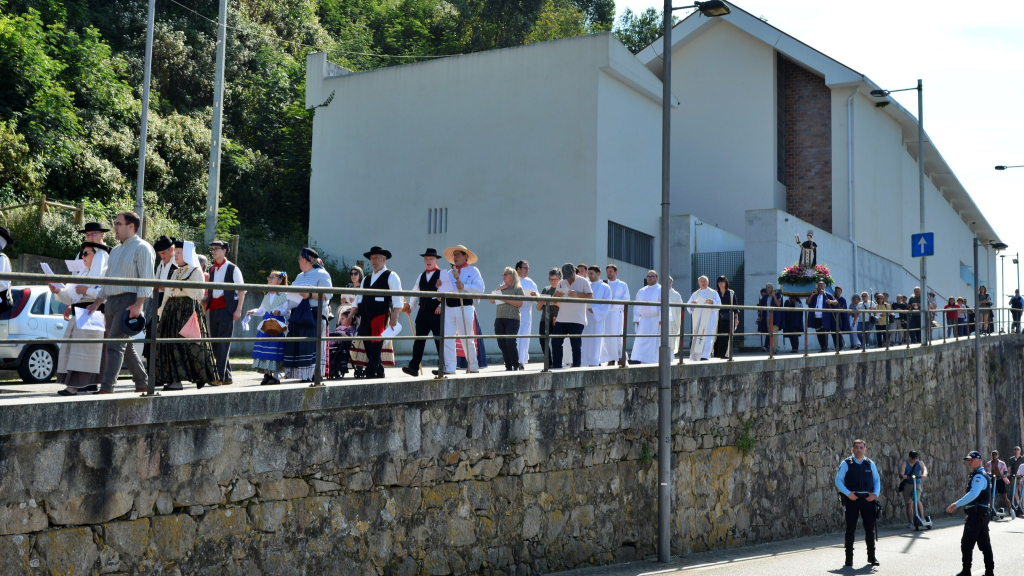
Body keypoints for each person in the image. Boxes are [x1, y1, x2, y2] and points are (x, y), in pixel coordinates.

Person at [86, 211, 155, 394]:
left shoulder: (143, 248)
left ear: (130, 226)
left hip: (128, 300)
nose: (114, 228)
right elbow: (107, 279)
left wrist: (138, 305)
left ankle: (107, 387)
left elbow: (147, 279)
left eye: (118, 224)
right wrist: (97, 303)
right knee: (125, 345)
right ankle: (142, 381)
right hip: (111, 301)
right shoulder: (115, 250)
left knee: (114, 345)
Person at [154, 241, 218, 390]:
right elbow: (168, 294)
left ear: (187, 254)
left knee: (191, 347)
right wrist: (161, 314)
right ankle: (175, 381)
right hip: (172, 312)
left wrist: (181, 287)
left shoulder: (195, 271)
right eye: (175, 252)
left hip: (187, 312)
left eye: (178, 252)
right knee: (172, 346)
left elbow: (199, 294)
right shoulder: (175, 271)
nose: (175, 255)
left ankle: (201, 376)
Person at [50, 241, 110, 395]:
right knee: (76, 350)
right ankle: (83, 385)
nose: (82, 257)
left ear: (96, 256)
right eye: (82, 253)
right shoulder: (82, 273)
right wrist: (58, 290)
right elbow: (70, 298)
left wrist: (87, 290)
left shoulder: (104, 273)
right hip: (80, 314)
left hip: (93, 313)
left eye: (86, 253)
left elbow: (105, 293)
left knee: (84, 351)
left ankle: (74, 387)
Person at [283, 248, 333, 381]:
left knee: (312, 345)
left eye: (300, 259)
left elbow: (328, 294)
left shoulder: (322, 274)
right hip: (298, 314)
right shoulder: (300, 276)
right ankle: (302, 375)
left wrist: (310, 294)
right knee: (299, 344)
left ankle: (313, 375)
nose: (299, 261)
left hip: (313, 314)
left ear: (306, 259)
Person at [354, 246, 403, 379]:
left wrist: (395, 317)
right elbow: (359, 297)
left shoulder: (391, 276)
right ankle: (379, 370)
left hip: (379, 316)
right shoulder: (367, 279)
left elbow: (398, 298)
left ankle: (370, 372)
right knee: (367, 343)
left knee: (376, 345)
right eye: (372, 258)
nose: (373, 261)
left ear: (384, 259)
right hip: (365, 315)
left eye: (376, 258)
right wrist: (351, 313)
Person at [437, 245, 485, 375]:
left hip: (465, 306)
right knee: (448, 337)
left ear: (465, 256)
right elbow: (441, 292)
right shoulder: (448, 274)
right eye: (454, 255)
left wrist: (465, 286)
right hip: (450, 307)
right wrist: (439, 287)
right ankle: (450, 367)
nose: (455, 257)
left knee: (467, 337)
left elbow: (480, 288)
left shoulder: (473, 270)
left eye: (458, 255)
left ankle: (473, 366)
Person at [203, 240, 246, 385]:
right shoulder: (212, 269)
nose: (214, 251)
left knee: (222, 343)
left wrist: (238, 309)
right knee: (215, 343)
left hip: (227, 309)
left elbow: (242, 290)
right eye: (213, 249)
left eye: (217, 249)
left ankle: (219, 376)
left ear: (224, 251)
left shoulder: (232, 268)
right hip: (214, 309)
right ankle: (227, 376)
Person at [946, 451, 995, 576]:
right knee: (985, 544)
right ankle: (989, 572)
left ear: (979, 460)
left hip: (978, 514)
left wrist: (956, 504)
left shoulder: (979, 476)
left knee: (967, 543)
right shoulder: (981, 475)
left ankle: (966, 572)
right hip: (980, 513)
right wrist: (971, 511)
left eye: (971, 459)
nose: (969, 462)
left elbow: (974, 494)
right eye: (968, 460)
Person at [835, 439, 880, 568]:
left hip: (867, 500)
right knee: (850, 530)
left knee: (869, 530)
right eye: (857, 447)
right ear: (853, 449)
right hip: (852, 500)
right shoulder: (846, 463)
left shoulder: (870, 464)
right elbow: (838, 480)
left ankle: (872, 557)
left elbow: (877, 480)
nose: (859, 449)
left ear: (865, 450)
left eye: (861, 447)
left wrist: (875, 494)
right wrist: (848, 493)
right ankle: (848, 559)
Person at [404, 248, 443, 378]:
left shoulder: (442, 274)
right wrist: (411, 307)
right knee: (419, 339)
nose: (428, 261)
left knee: (439, 340)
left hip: (436, 312)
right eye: (426, 259)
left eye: (431, 259)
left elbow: (447, 291)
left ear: (436, 260)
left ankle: (442, 366)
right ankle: (414, 367)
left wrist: (441, 305)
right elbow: (415, 294)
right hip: (423, 311)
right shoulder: (421, 276)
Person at [247, 271, 289, 385]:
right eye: (269, 278)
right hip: (266, 324)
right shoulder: (267, 295)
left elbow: (288, 311)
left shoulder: (284, 295)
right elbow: (262, 310)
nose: (269, 280)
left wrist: (279, 311)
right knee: (264, 349)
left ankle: (275, 376)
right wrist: (253, 311)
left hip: (277, 324)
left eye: (272, 278)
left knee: (274, 350)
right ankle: (267, 374)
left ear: (279, 281)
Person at [550, 263, 593, 368]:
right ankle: (557, 365)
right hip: (562, 318)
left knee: (576, 346)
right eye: (566, 277)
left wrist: (577, 294)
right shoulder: (561, 282)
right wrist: (556, 295)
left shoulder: (583, 281)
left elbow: (590, 297)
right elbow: (553, 301)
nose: (568, 279)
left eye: (570, 276)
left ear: (575, 271)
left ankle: (576, 367)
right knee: (555, 341)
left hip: (577, 319)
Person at [144, 235, 177, 363]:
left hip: (168, 304)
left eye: (164, 253)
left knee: (162, 339)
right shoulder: (161, 266)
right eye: (160, 253)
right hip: (156, 303)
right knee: (150, 339)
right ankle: (151, 373)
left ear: (172, 250)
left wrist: (165, 288)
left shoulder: (176, 266)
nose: (162, 256)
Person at [489, 267, 524, 370]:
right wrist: (499, 289)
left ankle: (516, 364)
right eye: (503, 274)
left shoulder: (517, 289)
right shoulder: (501, 287)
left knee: (510, 342)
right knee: (502, 343)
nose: (503, 276)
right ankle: (508, 365)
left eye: (506, 274)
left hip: (513, 318)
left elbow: (520, 303)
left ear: (512, 275)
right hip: (500, 318)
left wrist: (506, 299)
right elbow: (491, 300)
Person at [630, 271, 661, 364]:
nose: (650, 278)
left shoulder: (661, 290)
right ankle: (637, 358)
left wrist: (662, 319)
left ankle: (651, 360)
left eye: (652, 276)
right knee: (640, 340)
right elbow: (636, 305)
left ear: (657, 278)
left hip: (656, 319)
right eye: (648, 276)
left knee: (653, 341)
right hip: (643, 319)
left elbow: (665, 305)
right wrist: (636, 319)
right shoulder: (642, 290)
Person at [582, 266, 611, 367]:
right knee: (584, 340)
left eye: (591, 273)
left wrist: (592, 309)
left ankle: (594, 362)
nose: (589, 276)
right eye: (588, 273)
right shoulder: (587, 285)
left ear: (598, 273)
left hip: (596, 319)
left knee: (595, 341)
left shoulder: (605, 287)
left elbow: (606, 305)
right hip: (585, 318)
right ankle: (583, 362)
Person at [686, 275, 720, 361]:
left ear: (708, 282)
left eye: (704, 281)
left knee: (708, 336)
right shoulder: (695, 294)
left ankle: (705, 355)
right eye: (701, 281)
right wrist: (692, 305)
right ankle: (696, 356)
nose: (703, 283)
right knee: (698, 337)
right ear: (698, 283)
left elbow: (719, 305)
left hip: (708, 319)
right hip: (698, 319)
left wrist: (713, 302)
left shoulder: (713, 293)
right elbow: (688, 307)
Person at [602, 265, 630, 366]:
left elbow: (626, 300)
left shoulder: (622, 285)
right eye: (607, 272)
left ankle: (619, 357)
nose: (609, 273)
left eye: (611, 271)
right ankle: (610, 358)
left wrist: (614, 300)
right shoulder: (604, 284)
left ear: (616, 272)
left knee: (617, 337)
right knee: (607, 337)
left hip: (617, 314)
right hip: (606, 314)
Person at [515, 260, 538, 369]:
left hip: (526, 312)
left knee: (524, 337)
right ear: (518, 269)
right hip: (514, 312)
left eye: (528, 268)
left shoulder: (530, 282)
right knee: (515, 336)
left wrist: (535, 295)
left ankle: (521, 361)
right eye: (525, 268)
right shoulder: (513, 280)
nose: (527, 270)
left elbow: (537, 298)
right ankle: (514, 359)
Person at [537, 269, 561, 367]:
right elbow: (538, 308)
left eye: (555, 279)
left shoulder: (561, 290)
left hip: (557, 318)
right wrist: (542, 301)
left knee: (556, 342)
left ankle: (556, 362)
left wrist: (550, 301)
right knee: (543, 340)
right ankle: (549, 362)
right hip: (545, 318)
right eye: (551, 279)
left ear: (560, 279)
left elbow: (563, 305)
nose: (553, 281)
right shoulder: (545, 290)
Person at [899, 450, 928, 529]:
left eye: (916, 458)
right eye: (913, 459)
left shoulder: (920, 463)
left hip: (917, 484)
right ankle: (911, 522)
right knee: (909, 504)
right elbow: (902, 472)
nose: (914, 460)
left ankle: (922, 517)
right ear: (909, 457)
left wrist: (924, 474)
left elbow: (924, 469)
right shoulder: (905, 464)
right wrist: (903, 475)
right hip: (908, 484)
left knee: (916, 499)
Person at [806, 282, 837, 352]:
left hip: (824, 317)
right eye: (819, 286)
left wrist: (831, 301)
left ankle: (825, 347)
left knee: (824, 332)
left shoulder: (828, 295)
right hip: (816, 317)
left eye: (821, 286)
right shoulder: (815, 295)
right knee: (818, 332)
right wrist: (811, 295)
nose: (820, 287)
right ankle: (822, 347)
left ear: (824, 287)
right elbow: (807, 302)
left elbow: (836, 302)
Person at [712, 275, 737, 359]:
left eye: (722, 281)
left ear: (726, 282)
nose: (720, 284)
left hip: (728, 317)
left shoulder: (731, 293)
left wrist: (736, 318)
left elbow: (735, 307)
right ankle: (716, 354)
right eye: (719, 282)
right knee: (717, 335)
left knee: (726, 336)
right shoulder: (715, 293)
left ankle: (724, 354)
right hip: (717, 317)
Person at [985, 450, 1014, 518]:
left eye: (996, 454)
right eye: (993, 454)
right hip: (992, 480)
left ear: (998, 455)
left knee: (1005, 497)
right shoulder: (989, 463)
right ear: (992, 455)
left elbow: (1006, 472)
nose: (994, 455)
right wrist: (991, 474)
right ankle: (989, 510)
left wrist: (1003, 475)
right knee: (991, 496)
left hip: (1000, 481)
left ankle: (1011, 510)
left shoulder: (1002, 463)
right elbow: (987, 472)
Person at [758, 283, 782, 352]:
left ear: (772, 288)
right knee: (769, 333)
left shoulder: (778, 295)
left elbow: (778, 304)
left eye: (769, 288)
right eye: (766, 288)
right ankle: (770, 347)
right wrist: (761, 316)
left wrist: (774, 296)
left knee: (774, 331)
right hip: (767, 317)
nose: (767, 289)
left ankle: (775, 347)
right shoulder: (765, 297)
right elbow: (762, 307)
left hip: (775, 316)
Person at [831, 286, 848, 351]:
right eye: (836, 291)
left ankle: (840, 345)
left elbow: (843, 308)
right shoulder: (832, 298)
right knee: (833, 332)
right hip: (833, 317)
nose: (837, 292)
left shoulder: (842, 299)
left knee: (838, 331)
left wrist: (836, 307)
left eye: (839, 291)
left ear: (841, 292)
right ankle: (836, 345)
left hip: (840, 318)